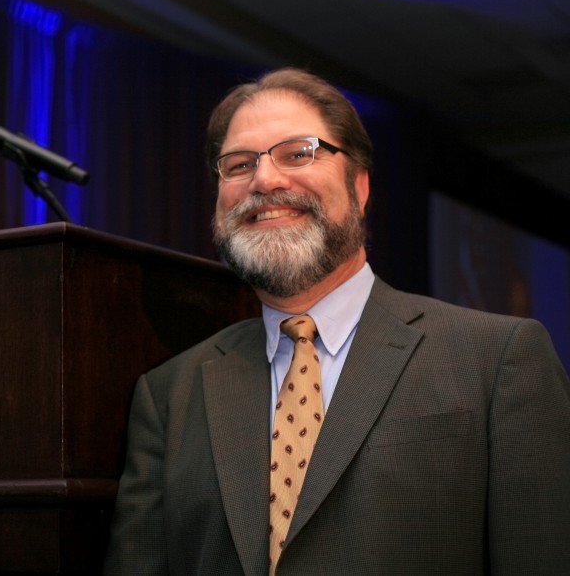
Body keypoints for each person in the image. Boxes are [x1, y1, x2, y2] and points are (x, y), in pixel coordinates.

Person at [103, 67, 570, 575]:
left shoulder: (497, 361)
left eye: (298, 152)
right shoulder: (170, 394)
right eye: (238, 165)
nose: (265, 179)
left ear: (360, 185)